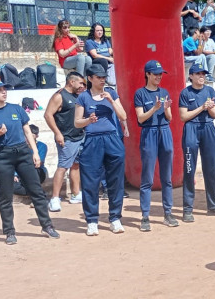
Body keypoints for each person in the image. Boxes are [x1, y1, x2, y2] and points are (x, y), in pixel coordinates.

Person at [0, 80, 59, 244]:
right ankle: (9, 231)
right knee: (5, 196)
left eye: (4, 89)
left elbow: (28, 131)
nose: (4, 91)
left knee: (36, 191)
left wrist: (35, 152)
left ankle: (47, 225)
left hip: (22, 152)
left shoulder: (16, 108)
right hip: (2, 155)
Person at [74, 64, 127, 236]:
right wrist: (88, 120)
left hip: (112, 138)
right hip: (92, 141)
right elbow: (77, 123)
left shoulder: (111, 93)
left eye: (104, 76)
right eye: (98, 77)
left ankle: (115, 218)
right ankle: (91, 221)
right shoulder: (83, 97)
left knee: (116, 181)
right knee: (90, 182)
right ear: (90, 78)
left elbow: (123, 116)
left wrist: (111, 101)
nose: (102, 79)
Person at [179, 63, 215, 221]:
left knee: (211, 168)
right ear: (191, 76)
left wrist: (209, 108)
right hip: (191, 129)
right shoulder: (185, 92)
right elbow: (183, 117)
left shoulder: (209, 90)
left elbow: (214, 115)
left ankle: (213, 204)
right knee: (189, 169)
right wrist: (201, 107)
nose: (202, 76)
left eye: (203, 74)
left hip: (208, 127)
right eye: (198, 74)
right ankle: (187, 209)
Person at [135, 60, 179, 230]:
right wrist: (154, 109)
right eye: (155, 74)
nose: (159, 77)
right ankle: (145, 216)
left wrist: (167, 108)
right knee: (147, 177)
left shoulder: (164, 92)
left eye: (160, 74)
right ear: (147, 74)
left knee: (167, 177)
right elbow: (140, 118)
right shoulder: (140, 93)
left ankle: (168, 213)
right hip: (149, 133)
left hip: (164, 132)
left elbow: (169, 118)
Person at [43, 71, 85, 212]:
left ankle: (75, 193)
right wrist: (57, 133)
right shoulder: (59, 96)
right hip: (66, 138)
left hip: (79, 136)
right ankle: (54, 198)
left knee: (75, 165)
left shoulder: (76, 96)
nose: (82, 86)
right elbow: (48, 115)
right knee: (63, 167)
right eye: (80, 83)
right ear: (71, 82)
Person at [13, 124, 48, 196]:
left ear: (36, 136)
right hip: (21, 172)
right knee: (13, 187)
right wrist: (14, 174)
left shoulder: (41, 146)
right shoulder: (20, 146)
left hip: (37, 171)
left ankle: (37, 195)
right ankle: (39, 193)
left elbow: (39, 163)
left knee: (31, 176)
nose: (27, 138)